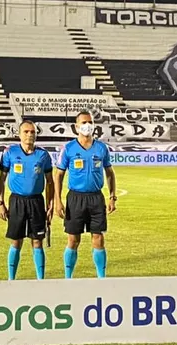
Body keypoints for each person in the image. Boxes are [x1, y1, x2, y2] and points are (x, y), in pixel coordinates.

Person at [53, 111, 117, 279]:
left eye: (90, 122)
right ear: (76, 127)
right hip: (75, 198)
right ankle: (68, 277)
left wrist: (112, 197)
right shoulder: (69, 148)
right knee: (73, 240)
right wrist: (58, 201)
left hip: (96, 198)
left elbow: (110, 173)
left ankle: (101, 278)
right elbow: (58, 175)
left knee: (98, 238)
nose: (87, 125)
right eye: (83, 122)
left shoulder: (101, 148)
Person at [0, 120, 54, 280]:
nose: (30, 135)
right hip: (17, 201)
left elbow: (50, 182)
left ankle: (40, 280)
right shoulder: (10, 153)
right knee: (16, 241)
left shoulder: (43, 155)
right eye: (26, 132)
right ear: (19, 134)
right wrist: (0, 203)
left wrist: (50, 205)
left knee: (37, 241)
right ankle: (11, 279)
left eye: (33, 132)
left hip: (37, 202)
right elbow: (1, 180)